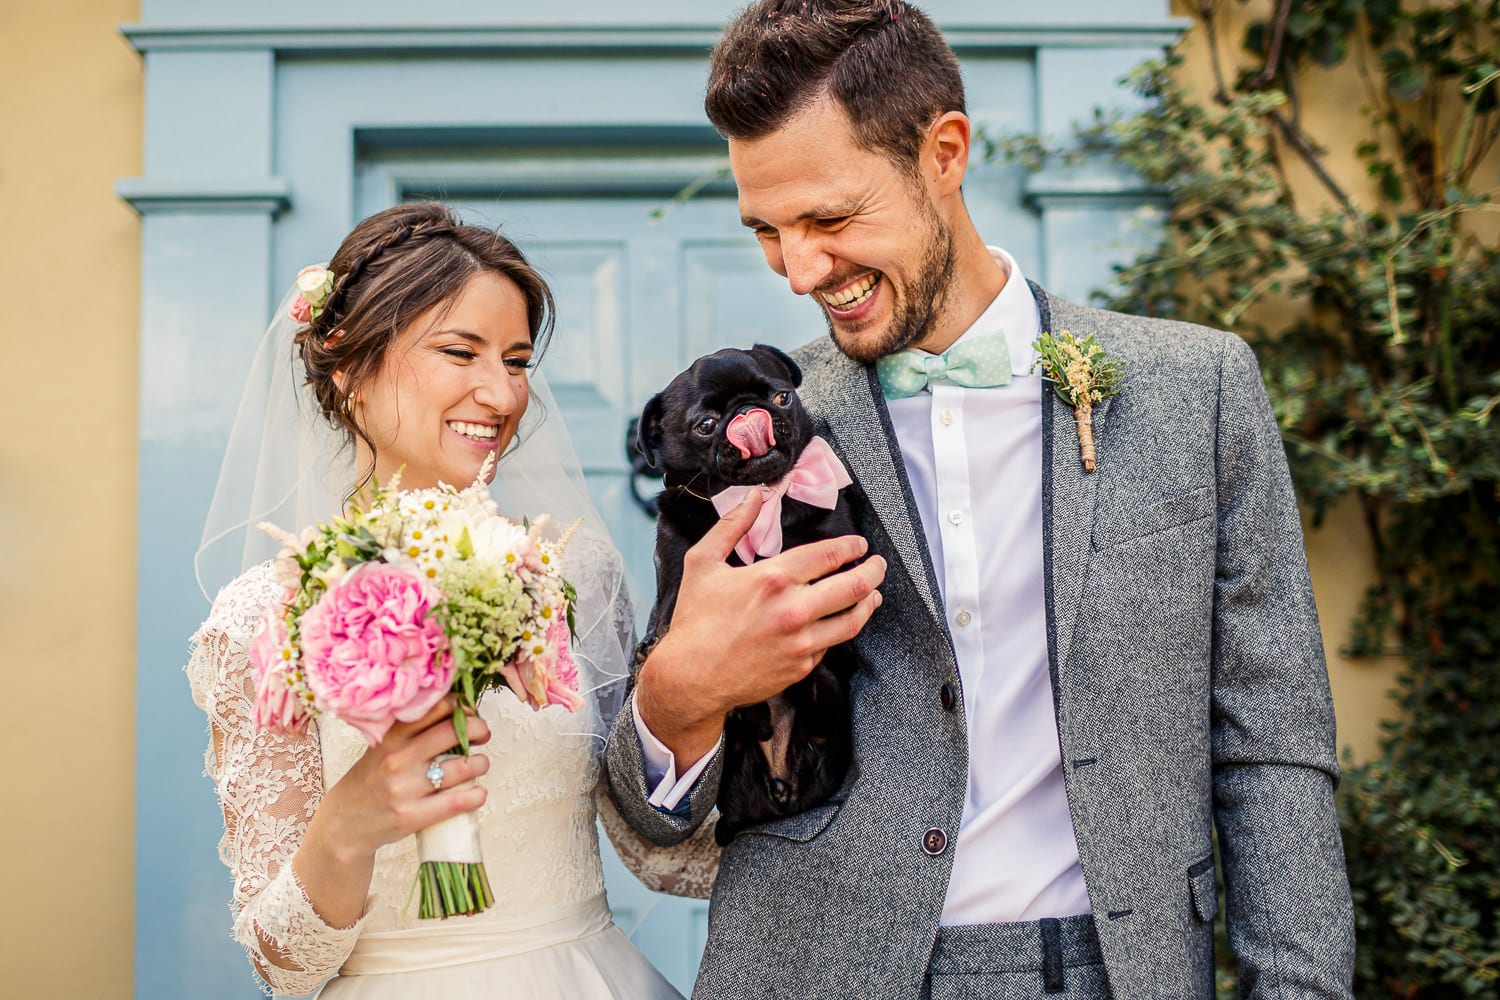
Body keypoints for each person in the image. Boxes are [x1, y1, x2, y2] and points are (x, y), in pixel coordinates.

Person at [603, 2, 1356, 998]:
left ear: (944, 151)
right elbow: (644, 820)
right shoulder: (752, 424)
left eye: (829, 219)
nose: (799, 270)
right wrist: (677, 698)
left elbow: (1270, 750)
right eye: (767, 232)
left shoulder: (1198, 390)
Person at [188, 202, 718, 999]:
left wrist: (706, 705)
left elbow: (658, 852)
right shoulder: (264, 616)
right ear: (348, 366)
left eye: (516, 361)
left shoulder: (573, 572)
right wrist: (351, 821)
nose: (501, 396)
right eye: (459, 352)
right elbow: (283, 967)